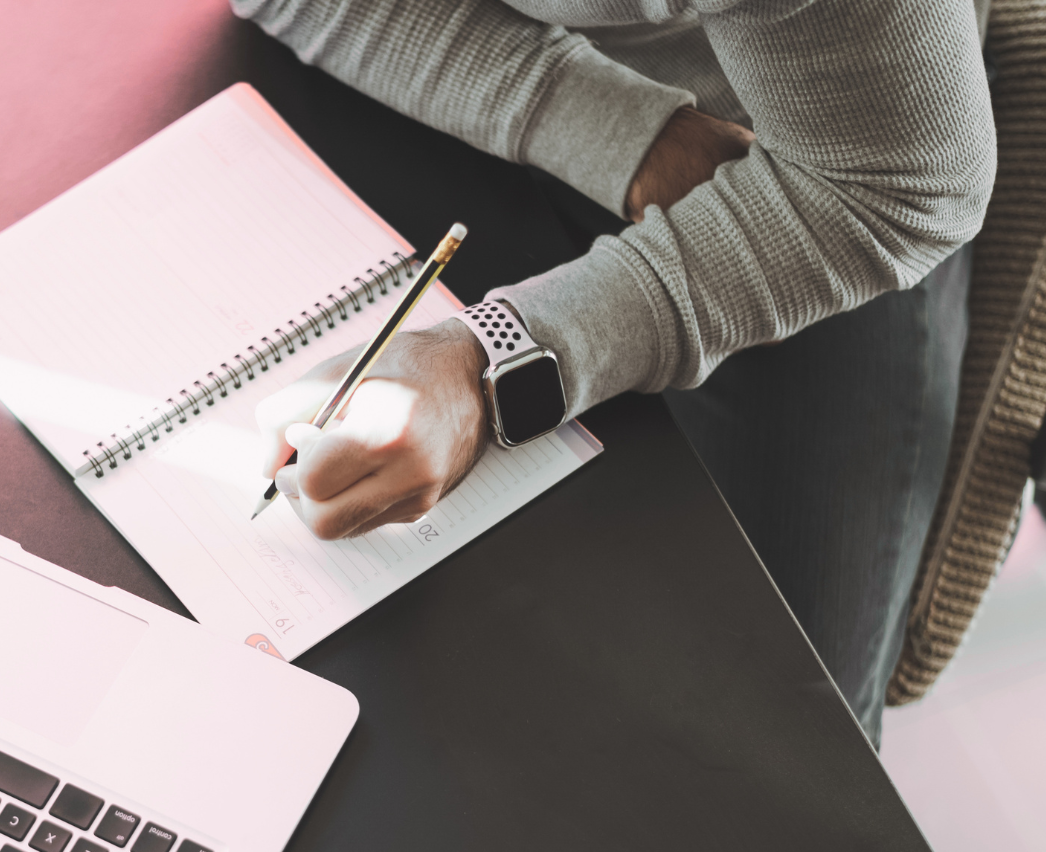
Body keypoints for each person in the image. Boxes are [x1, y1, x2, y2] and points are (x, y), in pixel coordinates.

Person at [238, 0, 995, 745]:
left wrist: (490, 362)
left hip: (806, 161)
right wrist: (622, 134)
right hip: (440, 46)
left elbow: (901, 188)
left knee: (793, 732)